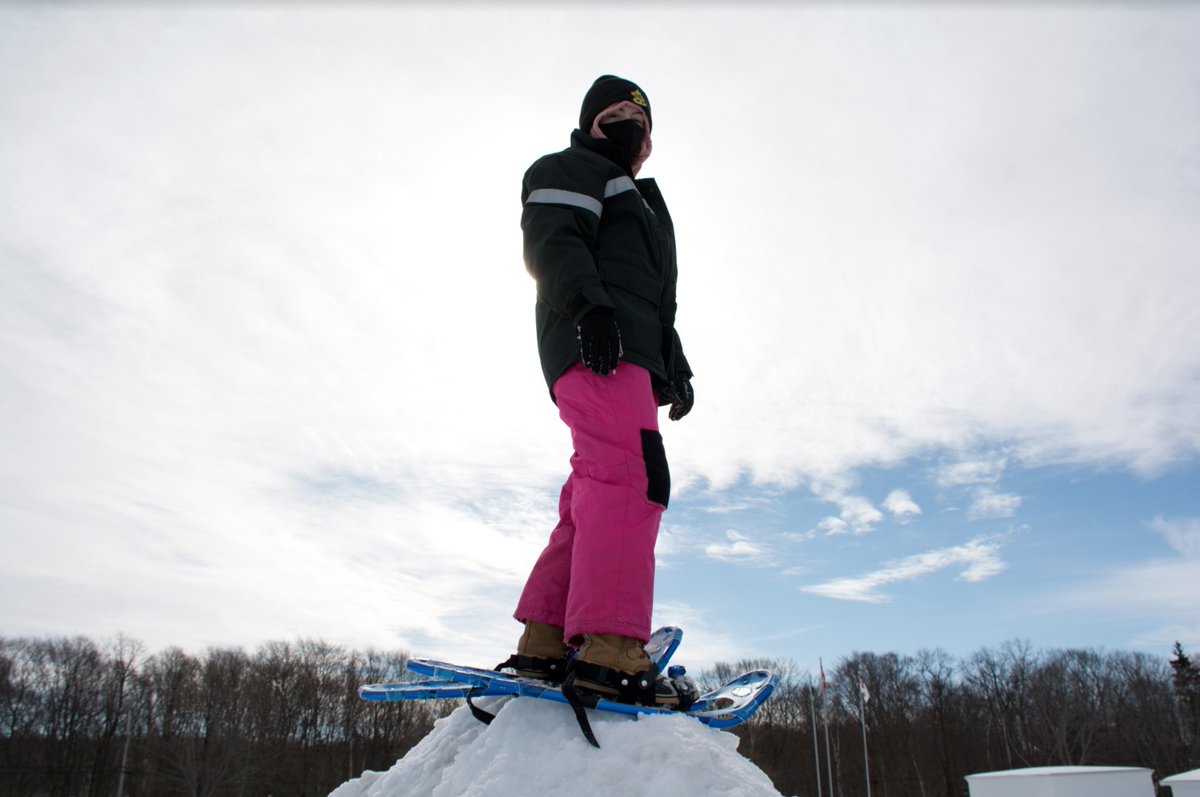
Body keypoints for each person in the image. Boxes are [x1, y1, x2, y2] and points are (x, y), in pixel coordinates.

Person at [503, 75, 694, 708]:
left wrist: (676, 365)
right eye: (616, 115)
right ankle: (611, 645)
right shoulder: (572, 168)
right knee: (631, 479)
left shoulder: (635, 200)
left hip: (624, 346)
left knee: (594, 486)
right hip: (597, 341)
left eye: (642, 123)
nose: (632, 129)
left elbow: (651, 301)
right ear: (591, 123)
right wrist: (589, 309)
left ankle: (548, 636)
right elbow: (553, 239)